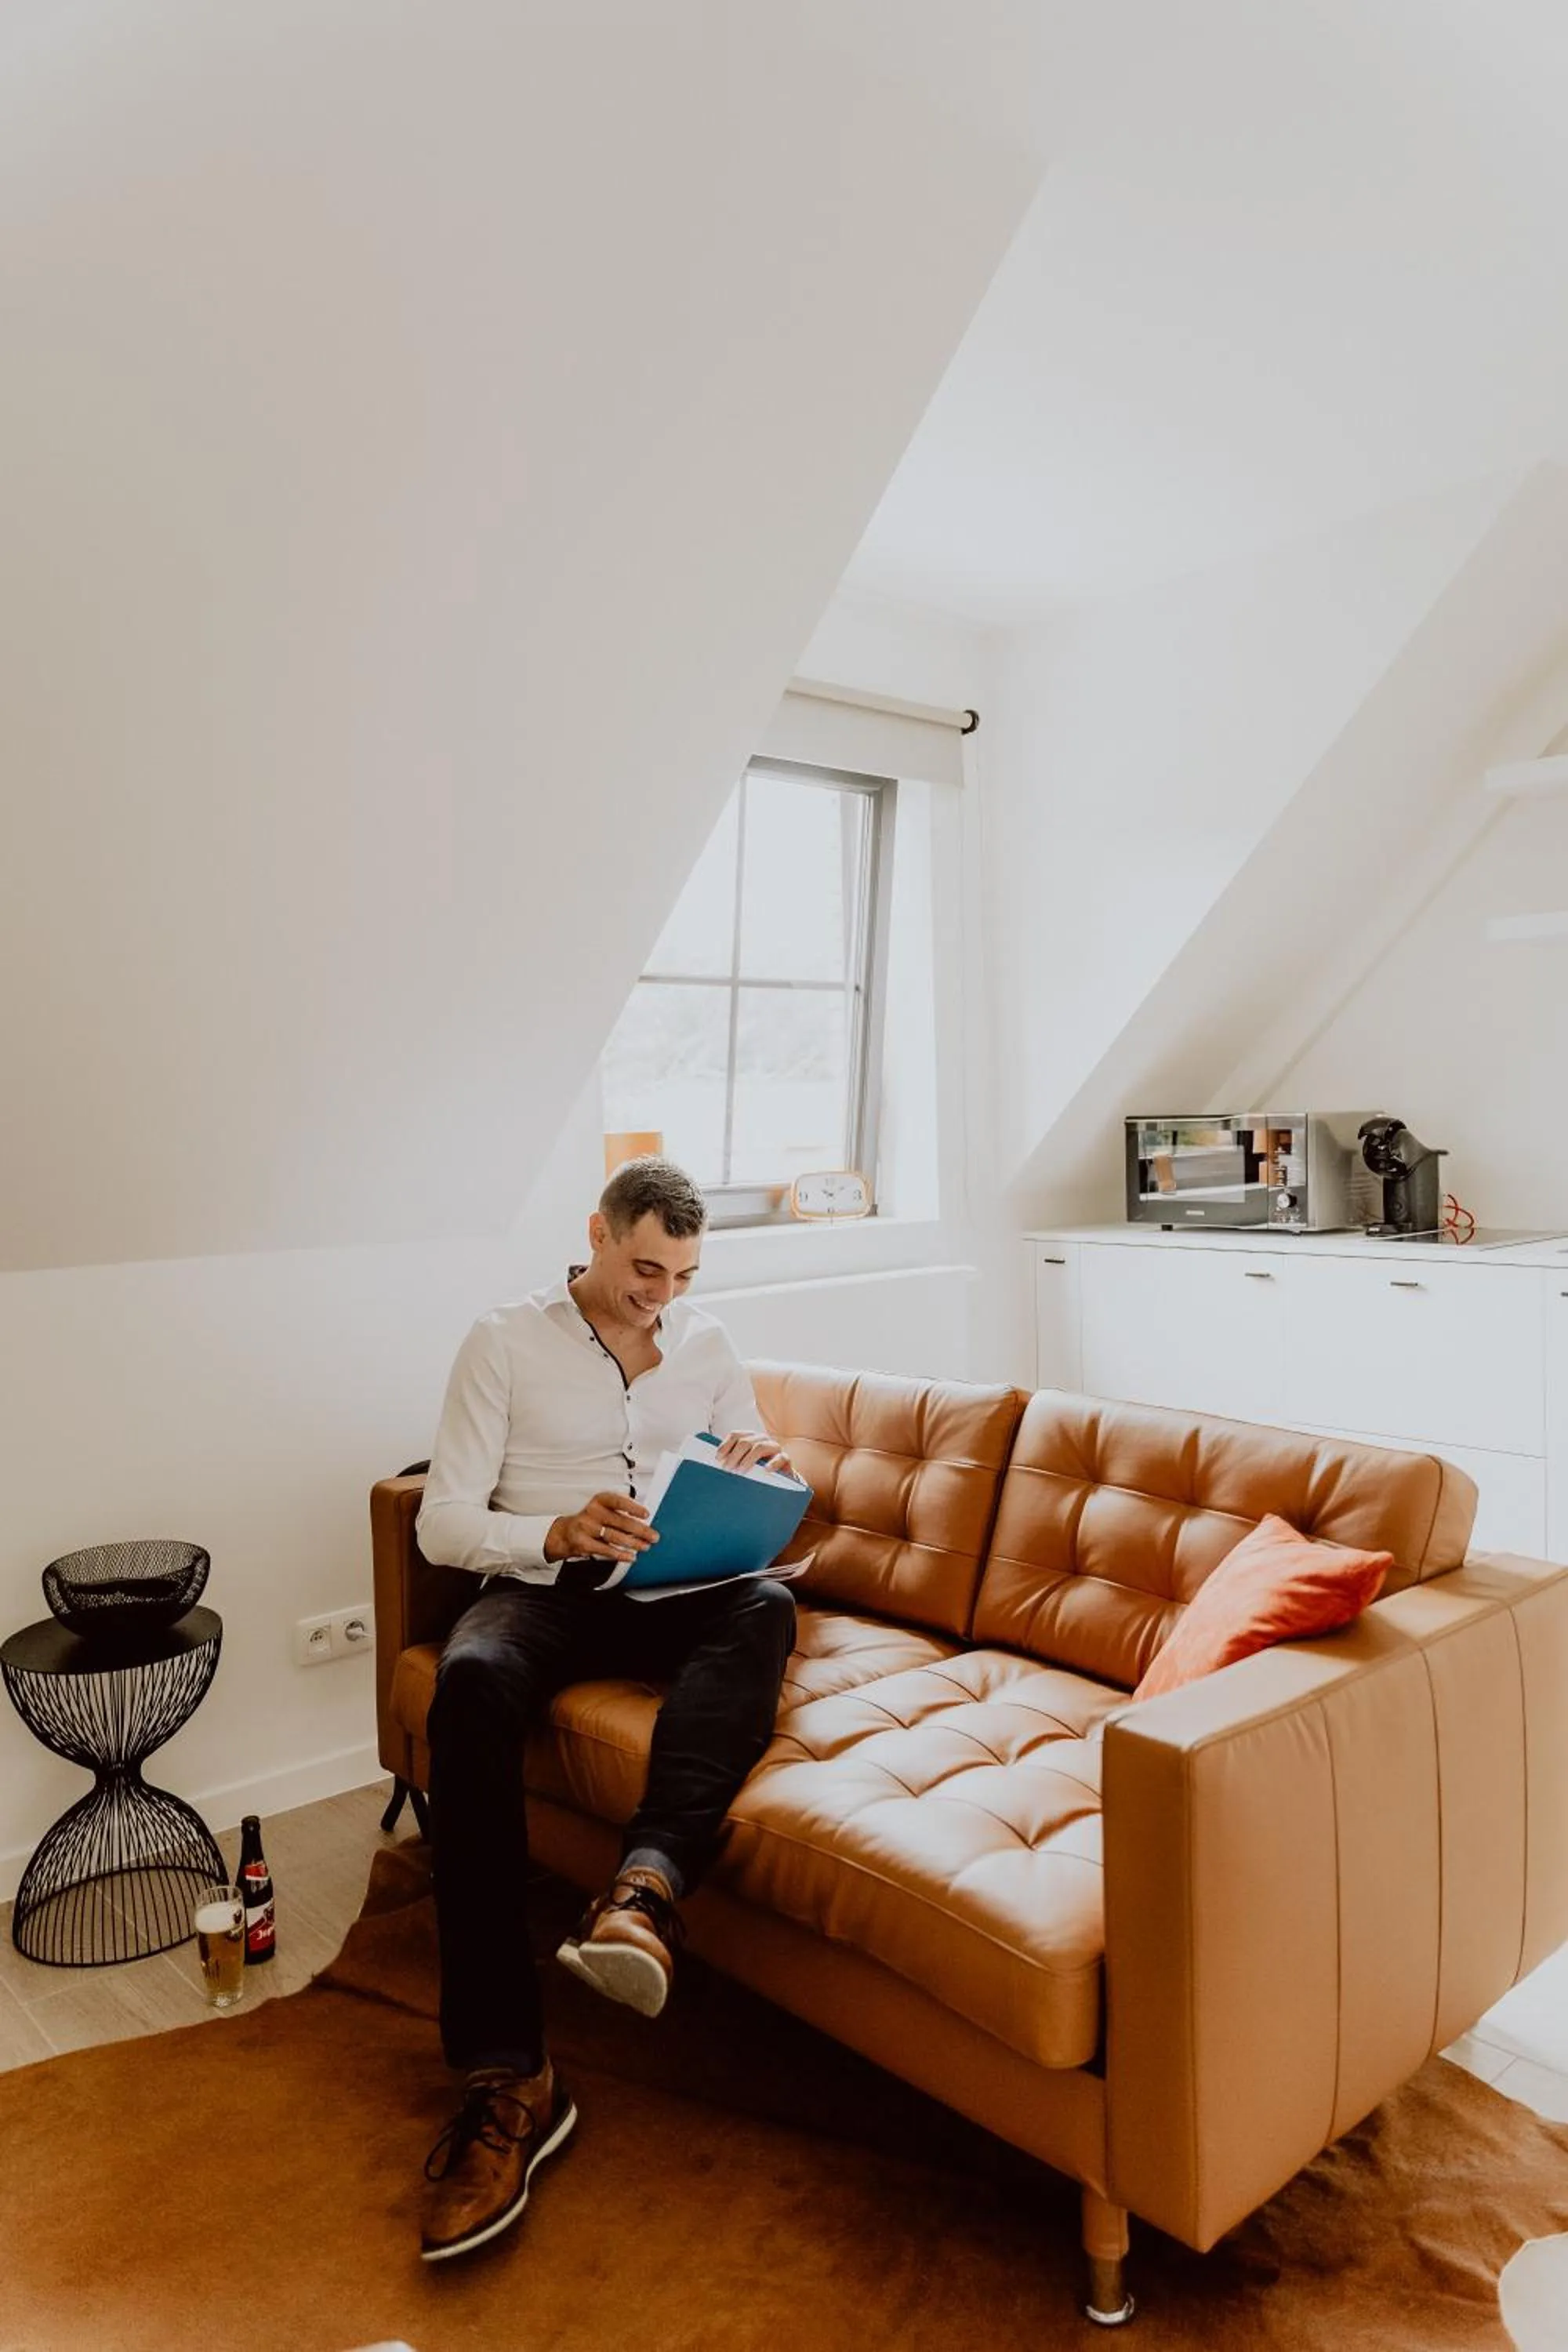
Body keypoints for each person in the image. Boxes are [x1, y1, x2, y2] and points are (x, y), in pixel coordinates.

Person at [412, 1155, 799, 2262]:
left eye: (679, 1275)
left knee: (765, 1607)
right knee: (472, 1681)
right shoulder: (502, 1340)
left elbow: (749, 1454)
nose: (660, 1297)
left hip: (681, 1585)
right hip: (545, 1585)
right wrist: (555, 1534)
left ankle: (644, 1892)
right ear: (595, 1232)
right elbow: (444, 1523)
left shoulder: (710, 1345)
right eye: (642, 1268)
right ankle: (510, 2074)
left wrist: (760, 1465)